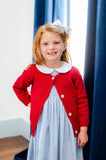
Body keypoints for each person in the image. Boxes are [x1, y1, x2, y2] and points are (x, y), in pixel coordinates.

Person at [13, 20, 89, 160]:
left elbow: (82, 101)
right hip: (44, 123)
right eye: (46, 44)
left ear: (64, 46)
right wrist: (30, 102)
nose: (51, 47)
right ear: (39, 47)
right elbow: (18, 87)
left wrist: (83, 130)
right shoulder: (33, 71)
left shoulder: (73, 73)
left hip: (67, 125)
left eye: (56, 43)